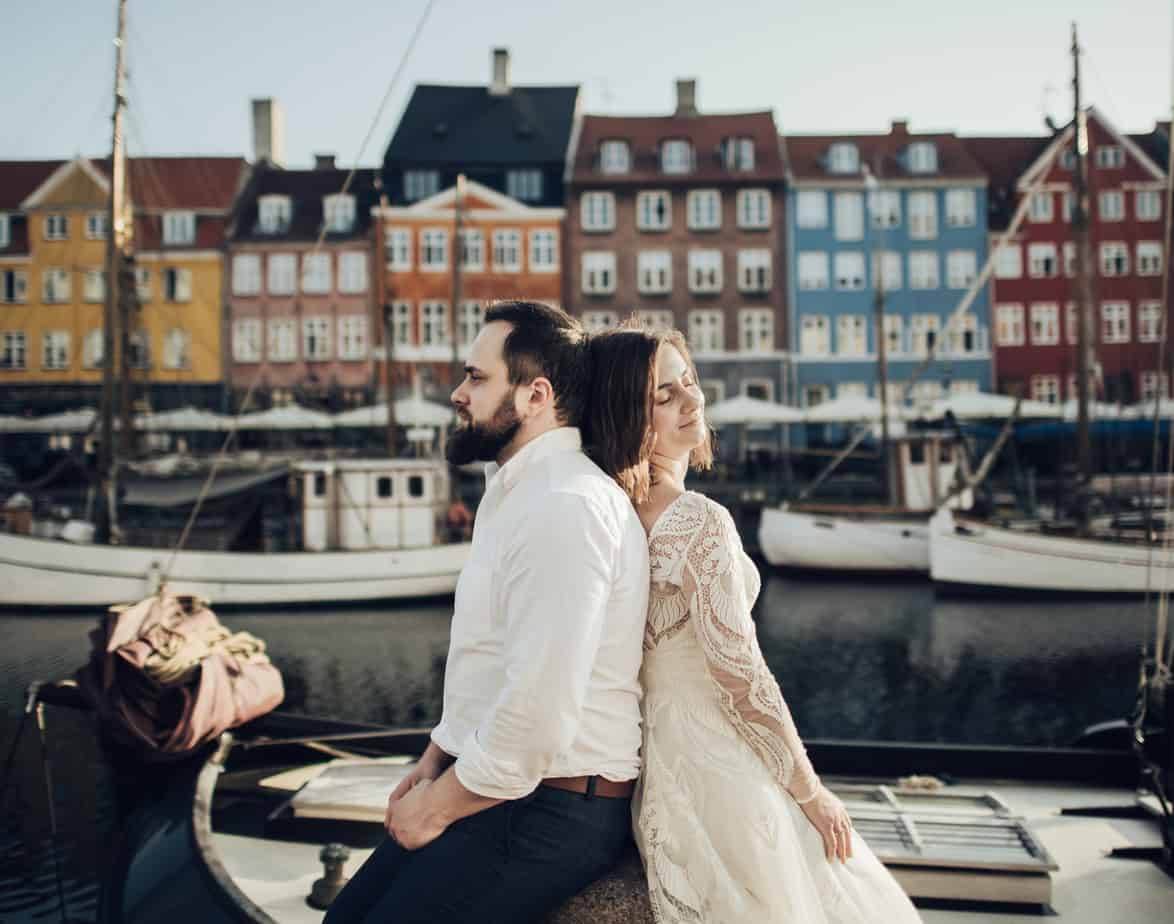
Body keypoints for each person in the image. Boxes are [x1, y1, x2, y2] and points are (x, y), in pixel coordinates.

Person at [323, 301, 649, 924]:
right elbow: (490, 660)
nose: (457, 393)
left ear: (535, 395)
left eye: (476, 377)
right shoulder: (520, 492)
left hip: (553, 807)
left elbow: (539, 706)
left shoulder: (564, 504)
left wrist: (439, 805)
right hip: (507, 787)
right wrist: (436, 756)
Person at [585, 324, 922, 924]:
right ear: (626, 416)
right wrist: (811, 792)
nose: (692, 401)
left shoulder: (615, 509)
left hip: (658, 763)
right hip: (716, 757)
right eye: (664, 396)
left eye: (689, 382)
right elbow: (741, 676)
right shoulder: (697, 520)